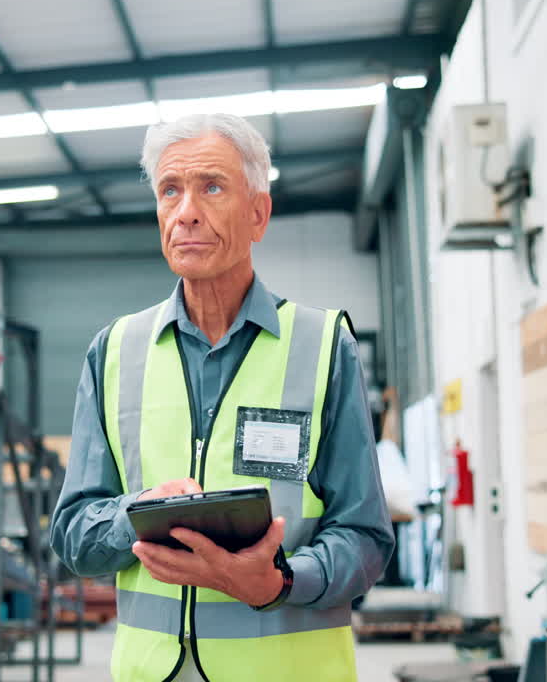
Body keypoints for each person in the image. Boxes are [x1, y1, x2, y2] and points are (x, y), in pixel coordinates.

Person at [49, 113, 393, 682]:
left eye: (211, 186)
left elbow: (366, 536)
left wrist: (280, 580)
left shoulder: (325, 346)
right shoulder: (113, 352)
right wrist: (136, 515)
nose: (186, 211)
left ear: (258, 214)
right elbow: (74, 533)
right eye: (169, 190)